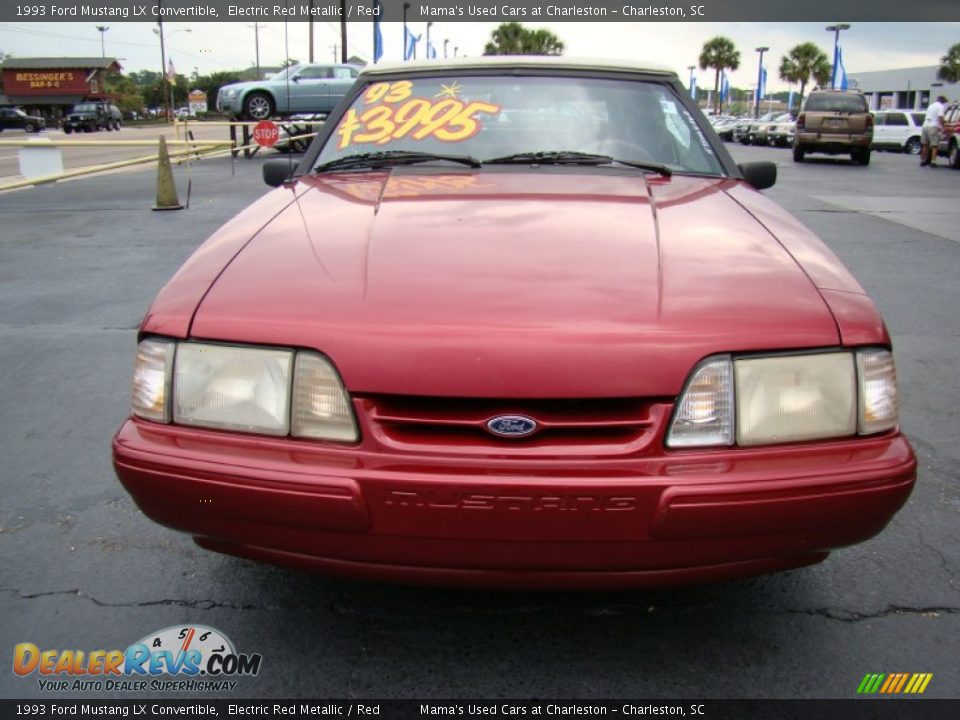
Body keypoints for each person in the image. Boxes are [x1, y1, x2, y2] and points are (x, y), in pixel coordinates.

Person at [920, 95, 947, 167]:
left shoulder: (930, 106)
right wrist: (943, 126)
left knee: (925, 145)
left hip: (925, 125)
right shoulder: (940, 106)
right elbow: (940, 118)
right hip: (933, 125)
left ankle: (923, 161)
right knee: (934, 145)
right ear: (942, 101)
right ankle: (933, 161)